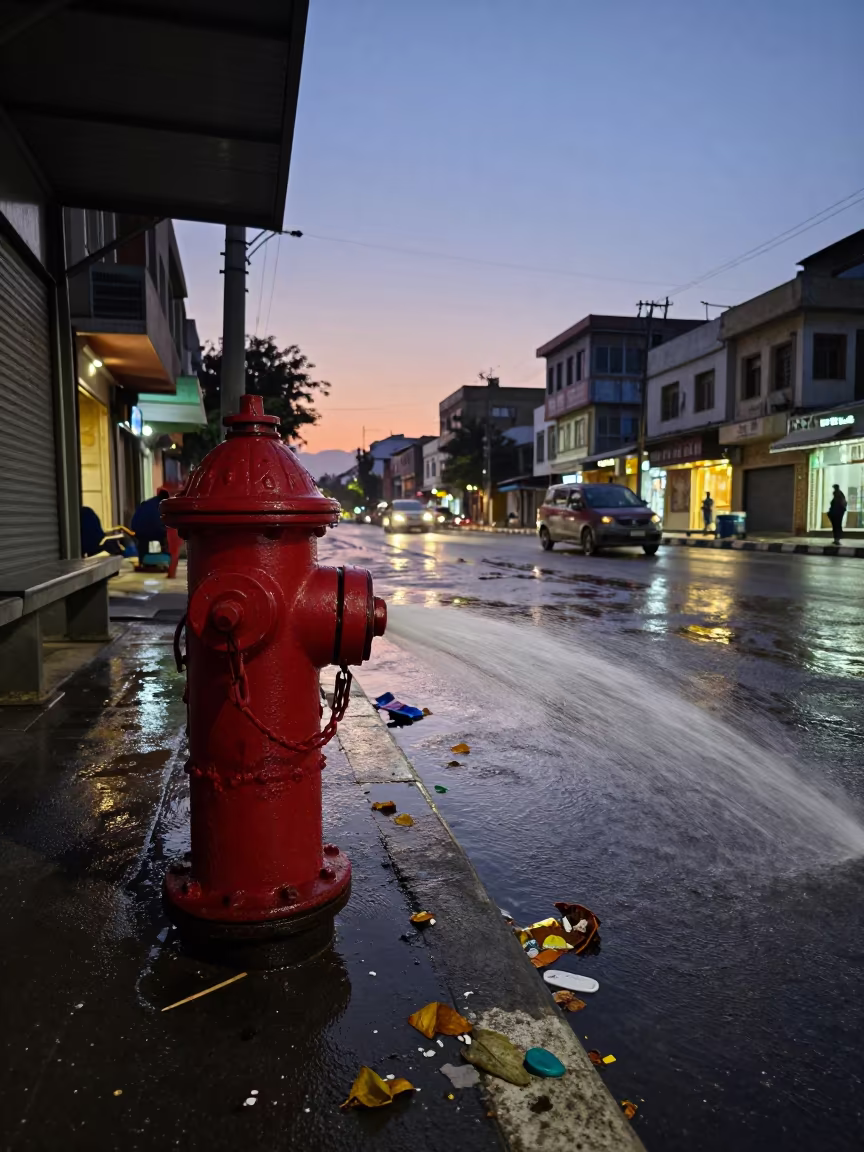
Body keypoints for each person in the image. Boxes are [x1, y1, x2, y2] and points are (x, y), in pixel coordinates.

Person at [131, 489, 170, 563]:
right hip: (155, 530)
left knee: (143, 543)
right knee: (168, 535)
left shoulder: (147, 503)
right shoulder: (164, 505)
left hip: (137, 529)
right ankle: (166, 558)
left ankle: (142, 560)